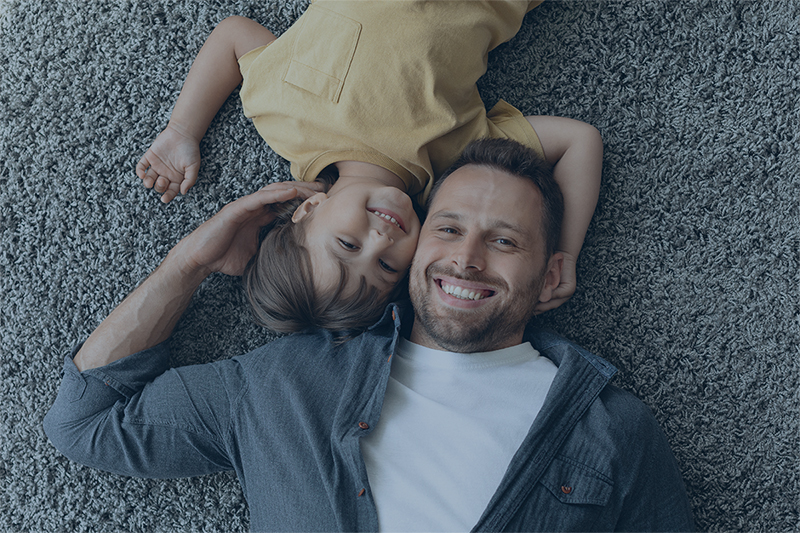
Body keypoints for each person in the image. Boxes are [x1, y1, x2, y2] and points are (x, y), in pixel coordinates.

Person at [45, 138, 694, 531]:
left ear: (552, 273)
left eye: (502, 241)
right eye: (446, 229)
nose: (466, 258)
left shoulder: (615, 429)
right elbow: (85, 420)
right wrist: (189, 262)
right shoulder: (279, 383)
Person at [136, 1, 603, 333]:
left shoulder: (284, 121)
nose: (380, 239)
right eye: (384, 265)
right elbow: (579, 142)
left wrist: (182, 130)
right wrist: (560, 256)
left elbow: (235, 35)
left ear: (307, 209)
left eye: (347, 243)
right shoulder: (458, 166)